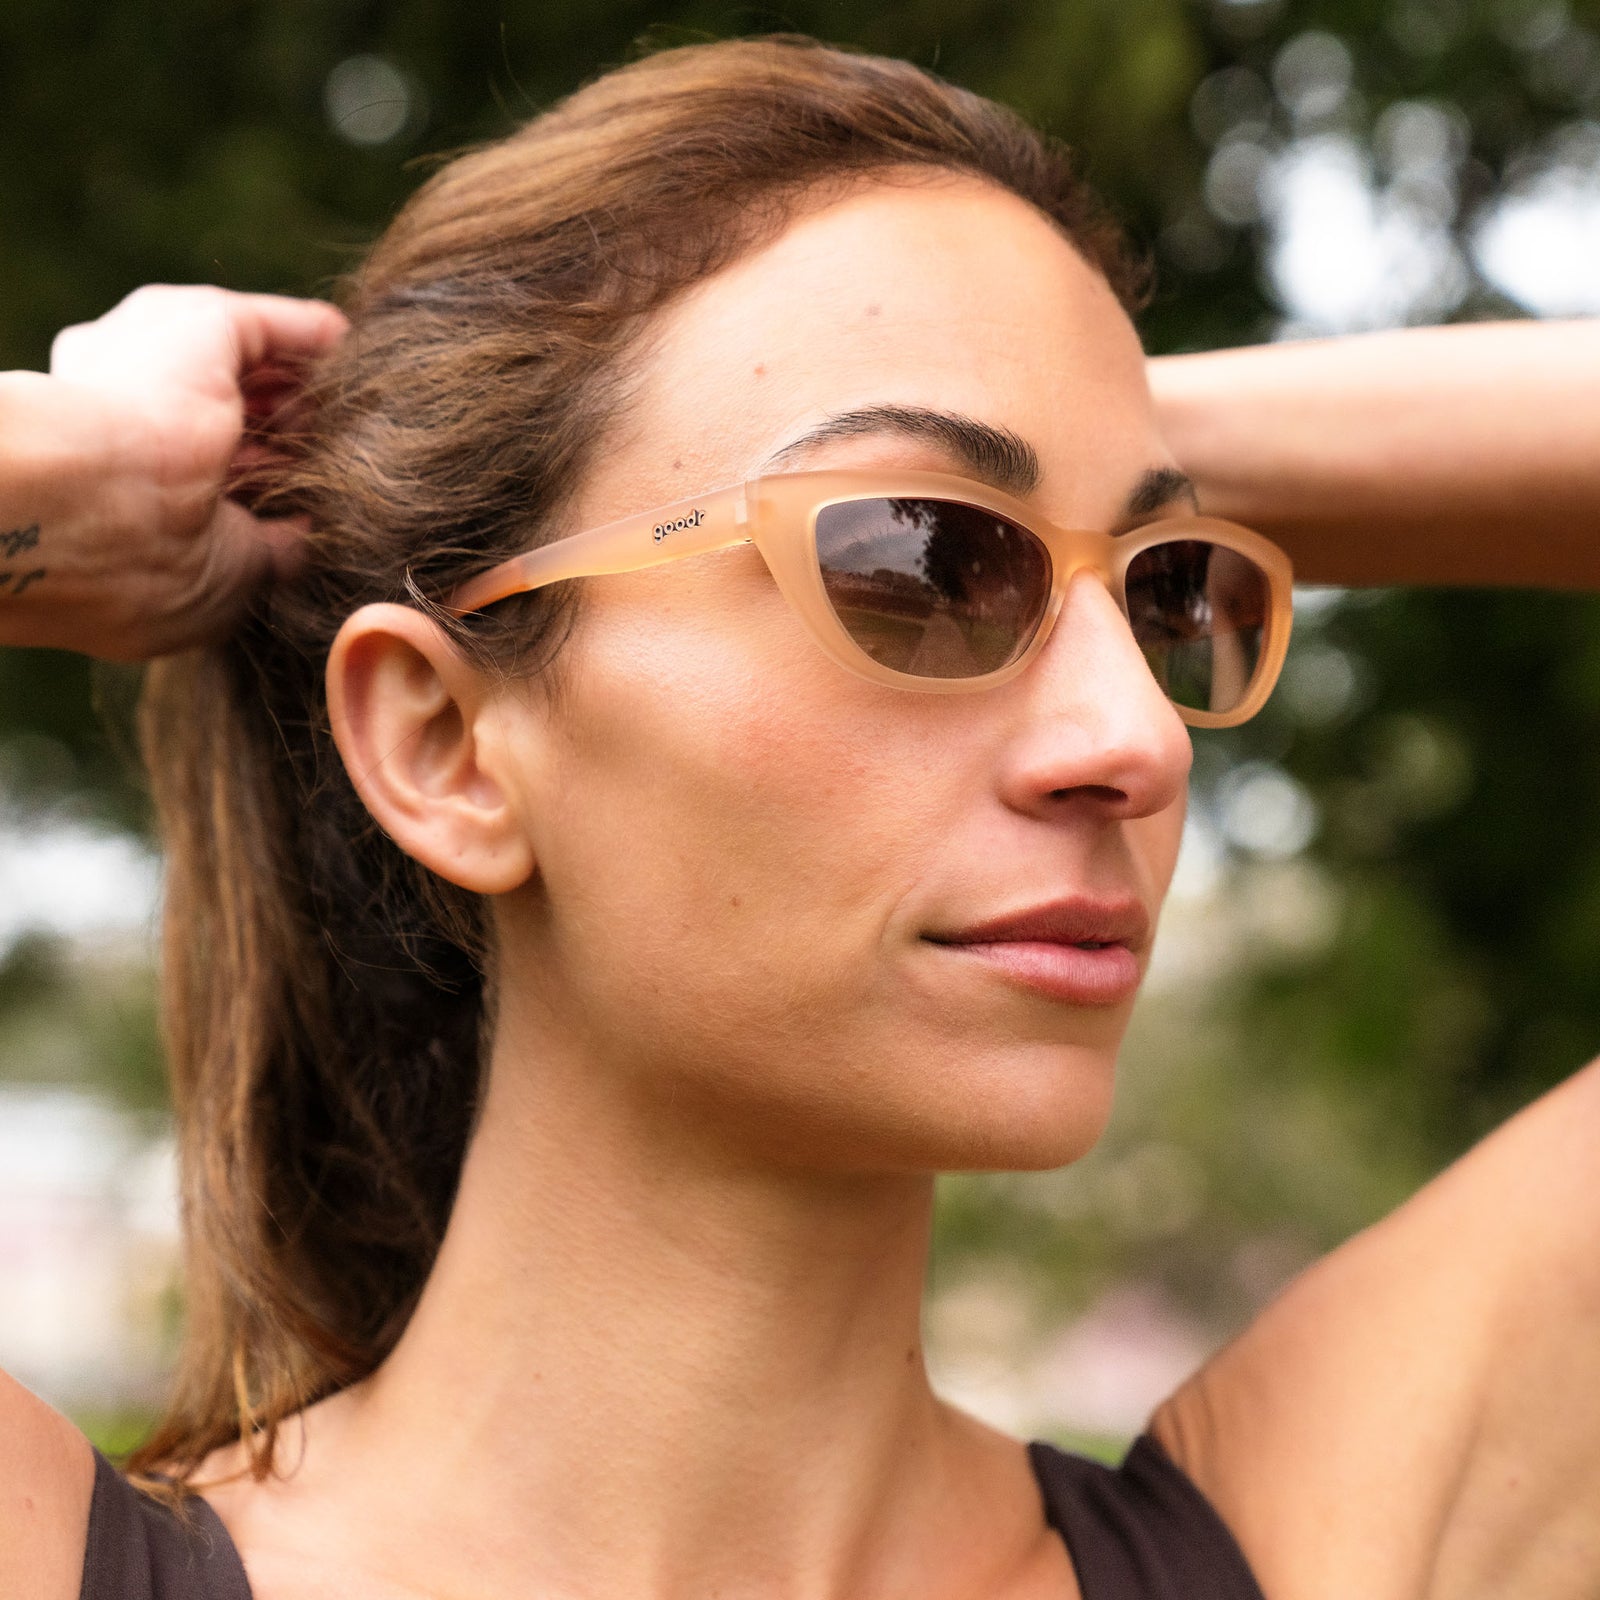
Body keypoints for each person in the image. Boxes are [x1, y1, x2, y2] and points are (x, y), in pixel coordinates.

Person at [1, 34, 1597, 1600]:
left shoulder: (1303, 1549)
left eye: (1172, 592)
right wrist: (103, 483)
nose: (1139, 738)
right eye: (920, 560)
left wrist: (1092, 429)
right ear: (444, 746)